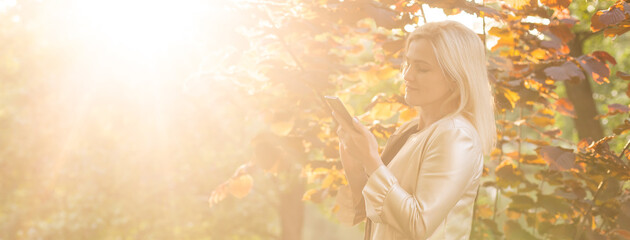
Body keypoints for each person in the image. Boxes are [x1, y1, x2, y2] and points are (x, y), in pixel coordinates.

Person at [332, 20, 497, 240]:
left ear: (456, 77)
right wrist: (356, 164)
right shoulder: (410, 132)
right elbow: (379, 214)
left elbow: (418, 224)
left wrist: (372, 159)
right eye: (407, 64)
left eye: (422, 68)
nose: (407, 75)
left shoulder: (456, 135)